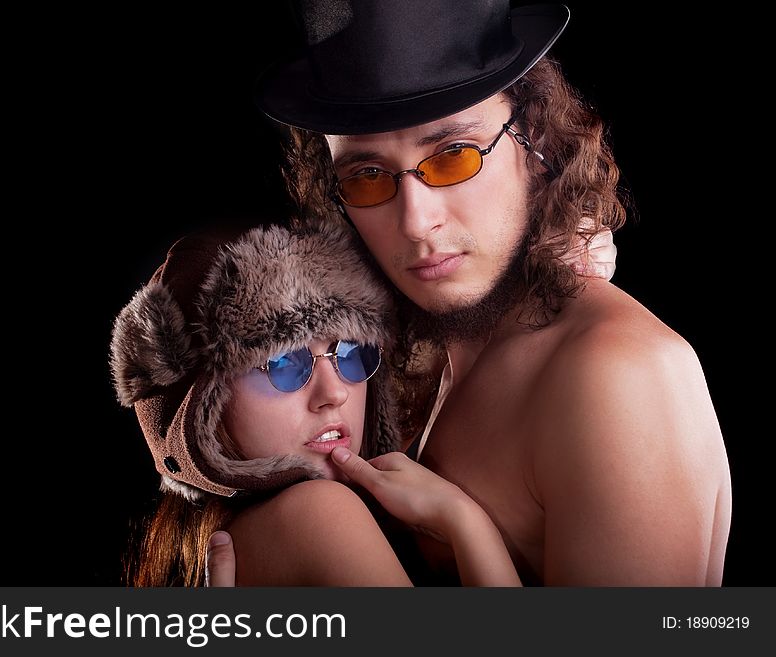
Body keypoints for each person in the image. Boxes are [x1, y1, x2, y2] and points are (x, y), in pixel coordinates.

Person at [206, 0, 731, 585]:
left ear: (534, 141)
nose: (414, 221)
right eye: (367, 176)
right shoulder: (396, 352)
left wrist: (465, 525)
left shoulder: (617, 375)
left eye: (453, 157)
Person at [110, 221, 523, 586]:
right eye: (283, 363)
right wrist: (467, 524)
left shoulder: (204, 543)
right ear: (201, 408)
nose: (335, 393)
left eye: (349, 352)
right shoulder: (318, 514)